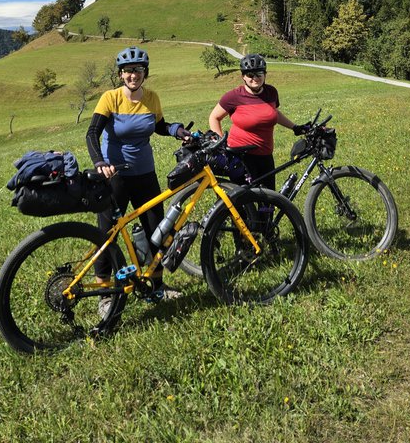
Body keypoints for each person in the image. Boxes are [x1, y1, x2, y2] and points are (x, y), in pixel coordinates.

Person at [86, 45, 191, 301]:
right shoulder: (110, 98)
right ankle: (105, 294)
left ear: (145, 72)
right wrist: (100, 162)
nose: (133, 75)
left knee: (157, 230)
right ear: (121, 74)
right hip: (115, 176)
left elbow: (159, 126)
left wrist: (178, 131)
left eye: (138, 70)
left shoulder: (152, 97)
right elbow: (92, 133)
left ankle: (156, 286)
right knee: (107, 233)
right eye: (128, 71)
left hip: (145, 174)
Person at [208, 53, 308, 190]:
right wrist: (220, 143)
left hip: (266, 155)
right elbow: (214, 117)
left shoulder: (271, 92)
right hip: (241, 157)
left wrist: (295, 127)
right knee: (243, 204)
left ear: (265, 74)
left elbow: (274, 113)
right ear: (243, 76)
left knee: (268, 203)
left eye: (259, 73)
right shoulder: (233, 96)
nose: (255, 78)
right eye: (250, 75)